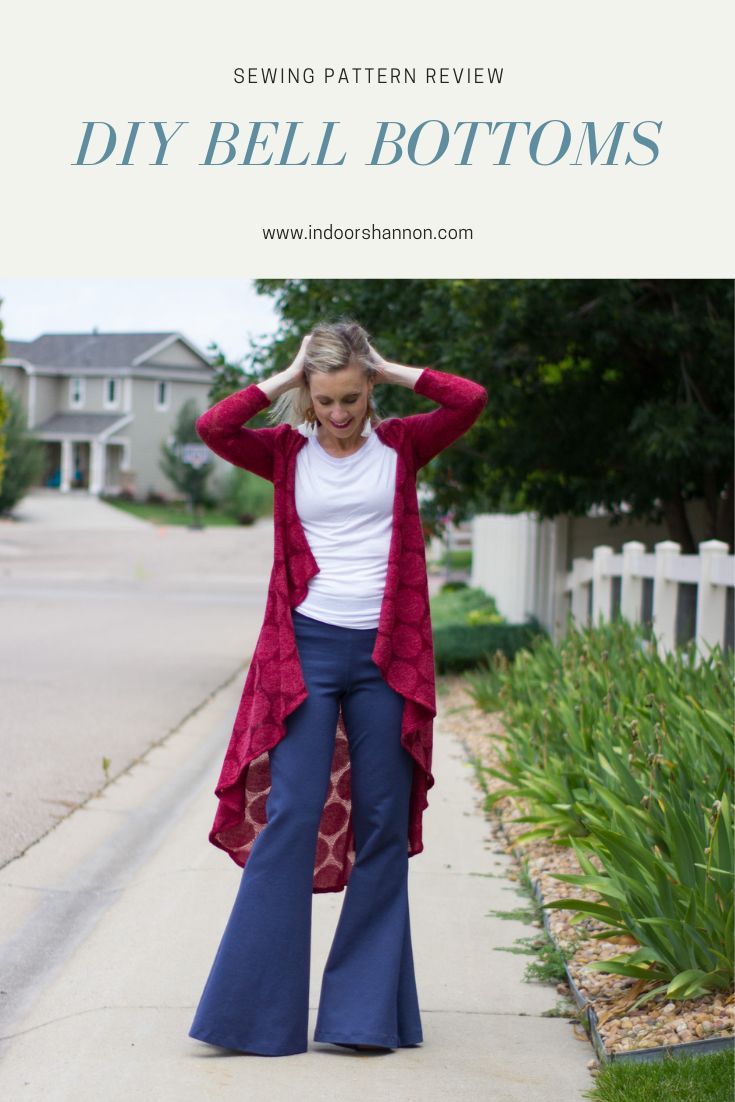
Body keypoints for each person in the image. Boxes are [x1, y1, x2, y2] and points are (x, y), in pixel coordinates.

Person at [188, 319, 488, 1057]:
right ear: (309, 398)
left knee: (382, 824)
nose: (341, 414)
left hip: (389, 654)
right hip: (307, 651)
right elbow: (213, 424)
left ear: (368, 391)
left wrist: (392, 369)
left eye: (352, 398)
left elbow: (469, 399)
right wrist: (285, 377)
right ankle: (253, 1017)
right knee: (291, 813)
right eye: (326, 400)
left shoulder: (404, 445)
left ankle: (362, 1018)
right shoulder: (285, 452)